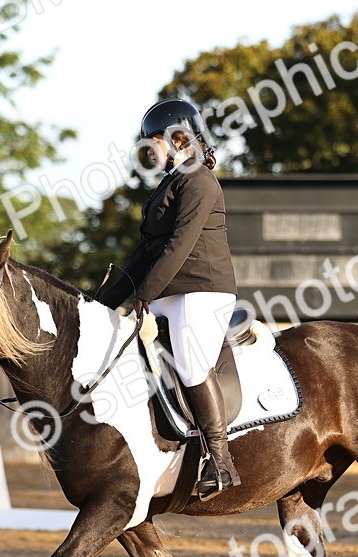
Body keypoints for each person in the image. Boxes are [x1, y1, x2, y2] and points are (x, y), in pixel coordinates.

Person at [95, 98, 240, 500]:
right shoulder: (169, 184)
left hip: (202, 290)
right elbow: (144, 252)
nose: (149, 151)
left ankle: (220, 461)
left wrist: (144, 294)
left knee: (191, 366)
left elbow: (179, 246)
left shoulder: (201, 183)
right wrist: (101, 303)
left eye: (154, 142)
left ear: (179, 139)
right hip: (168, 292)